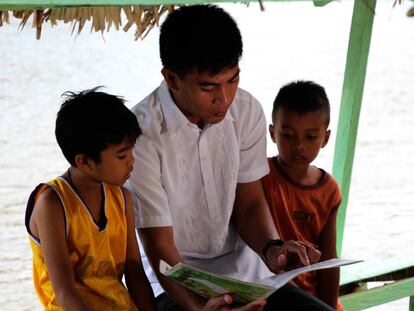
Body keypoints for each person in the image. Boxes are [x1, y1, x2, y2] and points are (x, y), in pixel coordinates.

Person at [126, 5, 334, 311]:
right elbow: (159, 249)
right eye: (208, 87)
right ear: (171, 78)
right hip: (173, 285)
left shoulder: (247, 111)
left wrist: (272, 248)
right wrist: (201, 309)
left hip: (249, 277)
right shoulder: (141, 135)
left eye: (232, 80)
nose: (224, 99)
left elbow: (249, 204)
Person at [25, 88, 156, 311]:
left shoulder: (122, 199)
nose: (131, 161)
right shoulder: (52, 204)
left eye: (131, 150)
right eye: (122, 155)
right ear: (84, 162)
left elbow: (134, 271)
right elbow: (65, 292)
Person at [261, 80, 343, 310]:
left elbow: (328, 260)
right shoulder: (258, 178)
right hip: (268, 293)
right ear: (272, 133)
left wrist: (327, 307)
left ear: (325, 138)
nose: (299, 146)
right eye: (288, 135)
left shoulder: (329, 189)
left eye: (310, 137)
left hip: (310, 297)